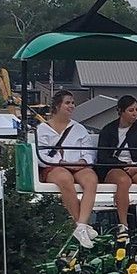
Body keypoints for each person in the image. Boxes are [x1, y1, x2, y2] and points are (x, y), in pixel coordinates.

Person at [37, 90, 98, 249]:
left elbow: (88, 151)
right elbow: (42, 155)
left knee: (91, 179)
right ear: (58, 106)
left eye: (73, 103)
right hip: (54, 166)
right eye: (67, 103)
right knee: (65, 179)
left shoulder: (79, 128)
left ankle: (81, 225)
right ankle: (80, 225)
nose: (71, 106)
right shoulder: (43, 129)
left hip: (77, 165)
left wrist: (81, 161)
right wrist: (62, 162)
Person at [95, 95, 137, 241]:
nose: (135, 113)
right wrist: (123, 165)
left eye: (136, 110)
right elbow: (103, 157)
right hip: (115, 167)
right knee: (123, 181)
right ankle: (123, 224)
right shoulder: (108, 130)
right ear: (121, 111)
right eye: (130, 110)